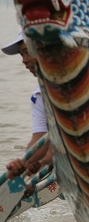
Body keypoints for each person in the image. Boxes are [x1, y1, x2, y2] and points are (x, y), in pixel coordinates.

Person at [3, 31, 51, 178]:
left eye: (26, 52)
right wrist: (24, 164)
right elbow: (40, 138)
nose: (24, 60)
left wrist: (42, 161)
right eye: (21, 55)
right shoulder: (39, 95)